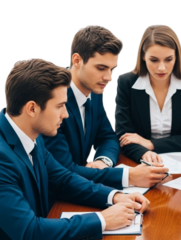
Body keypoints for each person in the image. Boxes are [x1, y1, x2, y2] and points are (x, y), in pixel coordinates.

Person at [0, 58, 150, 239]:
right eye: (60, 106)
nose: (65, 114)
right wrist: (103, 220)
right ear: (32, 108)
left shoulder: (28, 131)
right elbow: (29, 232)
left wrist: (114, 196)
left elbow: (62, 180)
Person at [43, 25, 168, 191]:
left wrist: (103, 161)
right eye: (101, 68)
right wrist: (129, 176)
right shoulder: (51, 100)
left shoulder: (93, 91)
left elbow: (108, 136)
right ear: (77, 61)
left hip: (81, 185)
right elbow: (63, 170)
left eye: (112, 70)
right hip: (53, 196)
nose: (109, 78)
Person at [114, 24, 181, 163]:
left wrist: (151, 144)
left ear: (176, 57)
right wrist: (144, 154)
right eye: (154, 60)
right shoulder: (126, 82)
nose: (162, 67)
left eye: (168, 59)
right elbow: (124, 136)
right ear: (143, 56)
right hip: (139, 160)